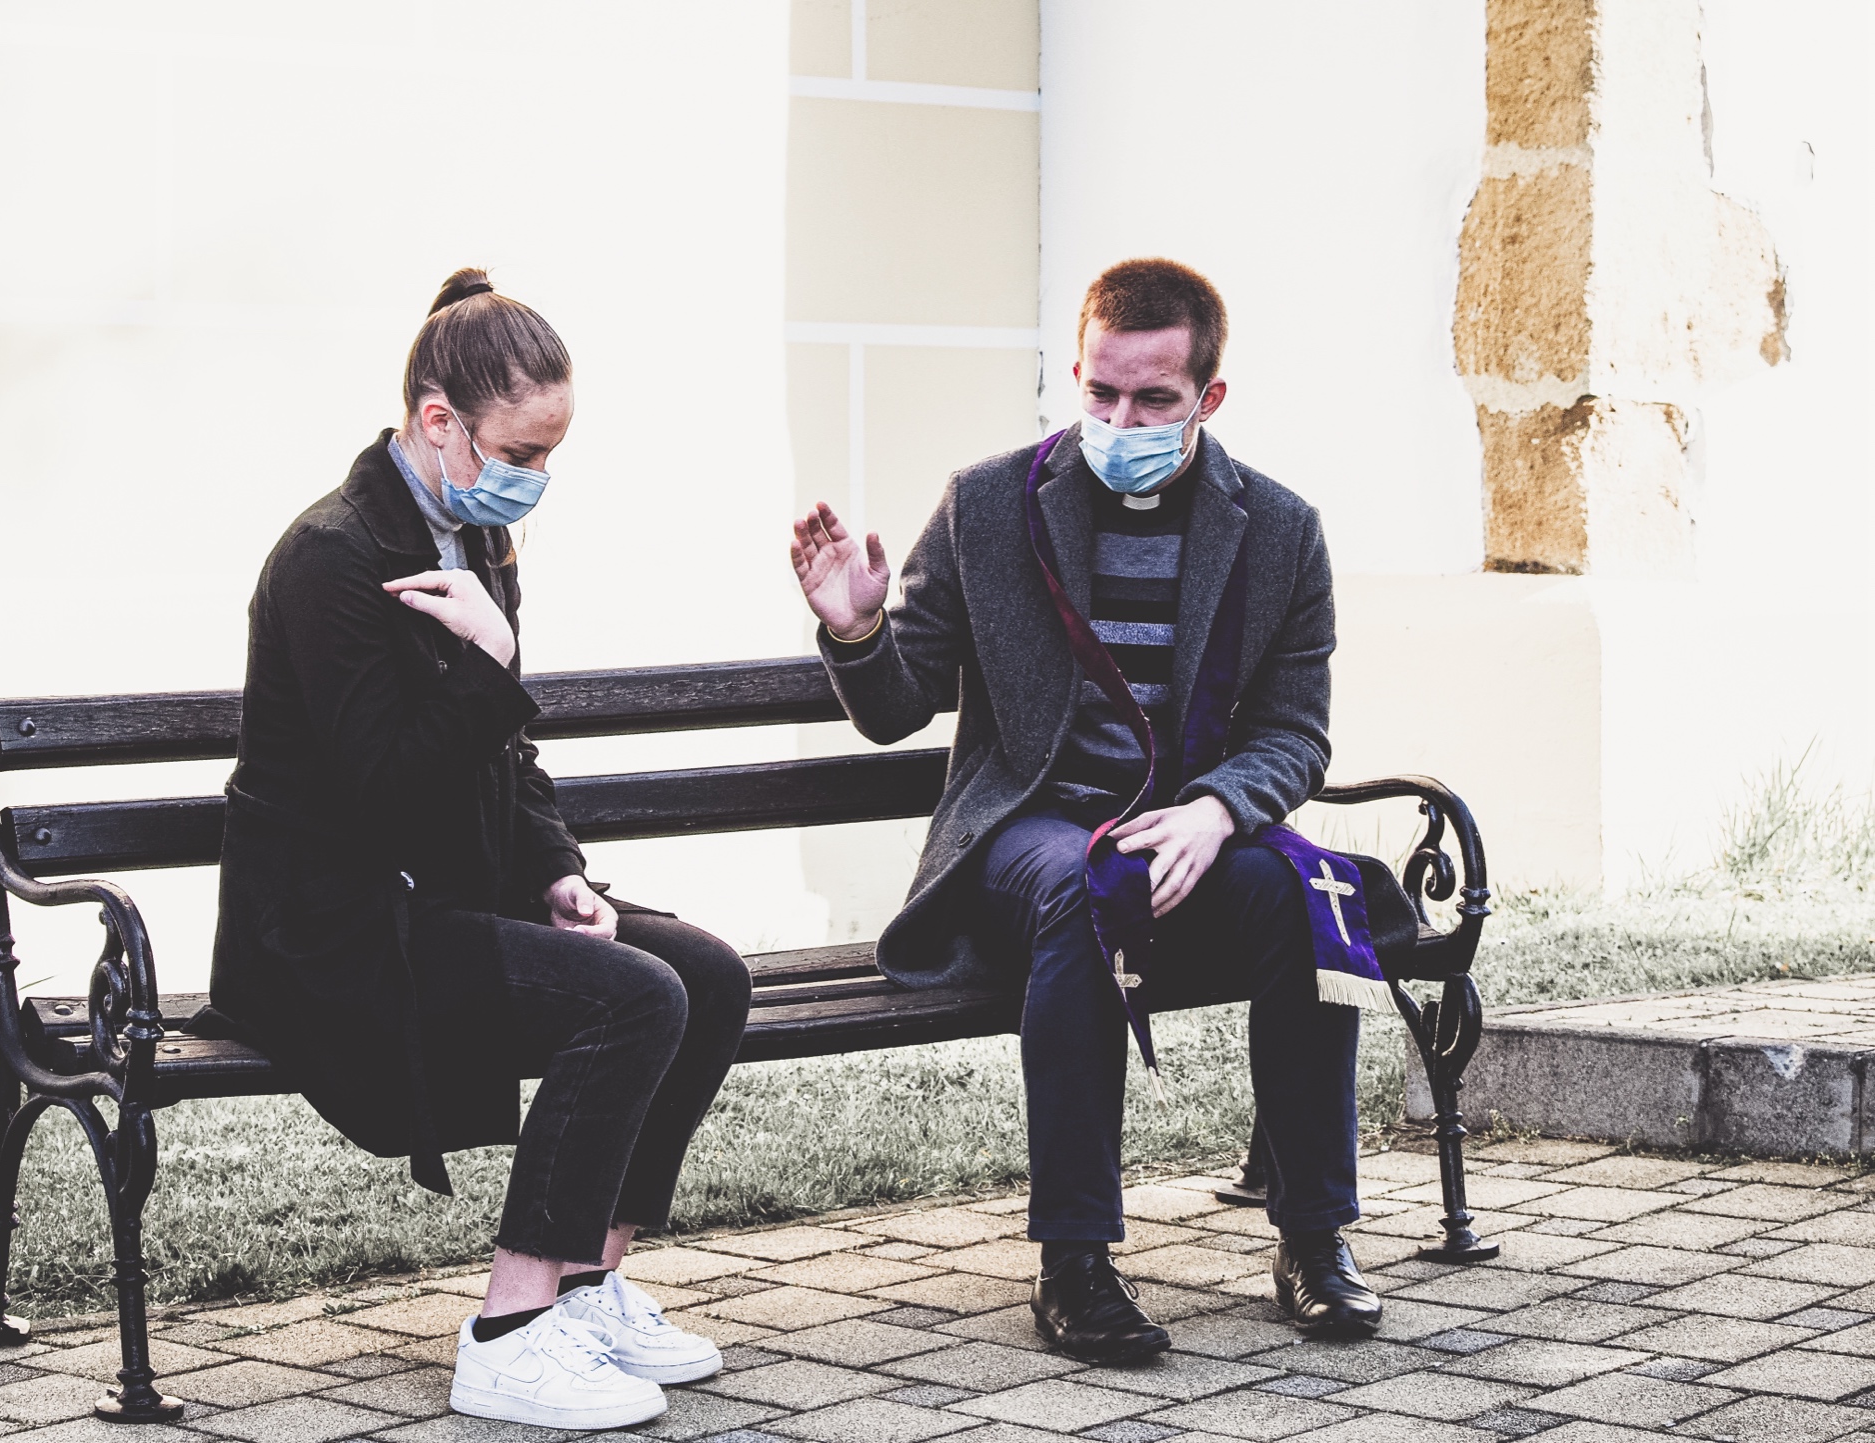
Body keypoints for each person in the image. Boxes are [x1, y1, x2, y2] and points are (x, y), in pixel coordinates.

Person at [789, 258, 1381, 1364]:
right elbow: (897, 708)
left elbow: (1295, 732)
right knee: (1082, 885)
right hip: (1031, 829)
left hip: (1185, 830)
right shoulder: (988, 504)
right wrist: (856, 631)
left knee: (1306, 895)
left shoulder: (1280, 530)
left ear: (1208, 397)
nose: (1120, 420)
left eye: (1154, 399)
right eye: (1100, 391)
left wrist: (1217, 811)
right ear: (1076, 371)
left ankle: (1314, 1237)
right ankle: (1075, 1261)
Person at [209, 268, 751, 1432]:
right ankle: (509, 1336)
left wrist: (557, 868)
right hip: (336, 930)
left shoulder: (473, 532)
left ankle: (586, 1289)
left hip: (447, 897)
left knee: (706, 976)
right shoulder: (332, 557)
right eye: (520, 453)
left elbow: (506, 757)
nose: (535, 478)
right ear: (438, 421)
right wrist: (493, 665)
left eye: (551, 454)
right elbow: (382, 790)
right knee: (632, 998)